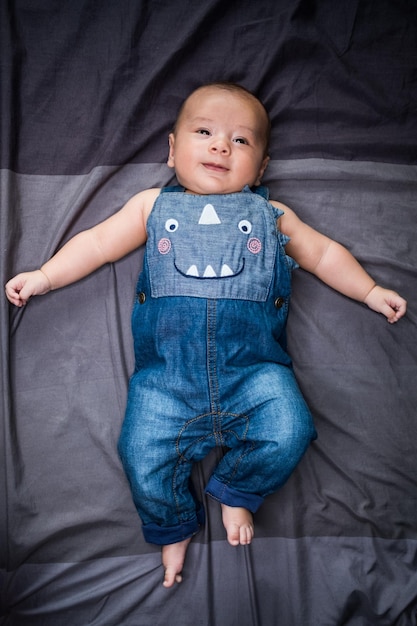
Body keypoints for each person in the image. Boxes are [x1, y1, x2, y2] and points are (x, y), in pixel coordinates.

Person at [5, 82, 407, 588]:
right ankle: (173, 524)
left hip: (254, 374)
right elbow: (98, 244)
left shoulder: (273, 215)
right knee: (139, 453)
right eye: (204, 132)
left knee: (291, 429)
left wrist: (369, 290)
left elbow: (324, 255)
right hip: (166, 382)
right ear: (172, 151)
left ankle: (237, 490)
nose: (221, 146)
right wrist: (44, 276)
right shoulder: (151, 207)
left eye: (241, 141)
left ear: (260, 169)